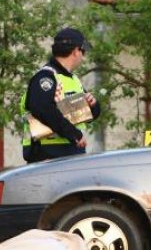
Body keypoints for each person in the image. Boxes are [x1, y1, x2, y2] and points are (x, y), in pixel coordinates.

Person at [21, 27, 102, 162]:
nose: (84, 55)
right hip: (48, 156)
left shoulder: (72, 80)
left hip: (68, 154)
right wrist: (74, 134)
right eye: (83, 51)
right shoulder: (46, 77)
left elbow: (90, 115)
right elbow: (43, 109)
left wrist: (93, 105)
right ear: (76, 51)